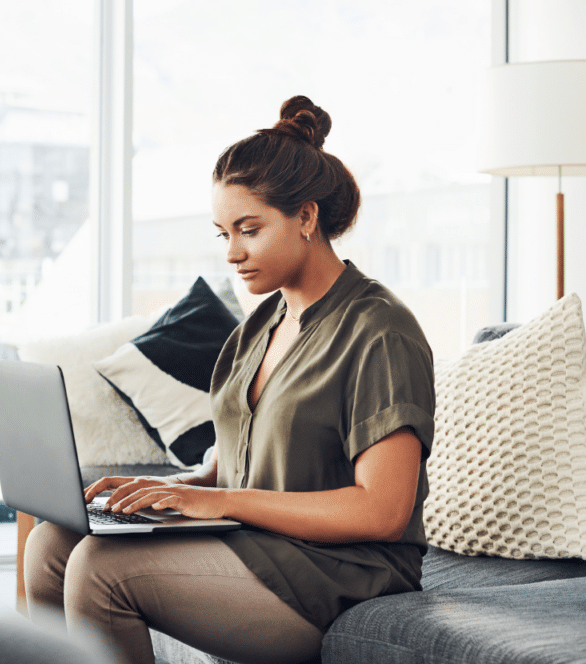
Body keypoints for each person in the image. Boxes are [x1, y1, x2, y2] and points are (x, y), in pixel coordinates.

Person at [23, 96, 436, 664]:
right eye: (224, 234)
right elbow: (241, 455)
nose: (234, 253)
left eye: (250, 229)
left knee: (101, 571)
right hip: (259, 544)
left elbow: (382, 512)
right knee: (50, 543)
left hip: (342, 571)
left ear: (307, 218)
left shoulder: (378, 331)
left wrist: (221, 501)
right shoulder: (261, 324)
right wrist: (170, 492)